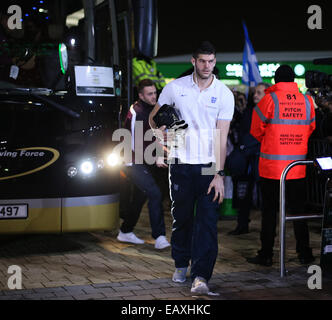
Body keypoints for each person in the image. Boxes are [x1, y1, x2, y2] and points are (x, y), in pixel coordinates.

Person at [149, 41, 234, 294]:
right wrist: (159, 134)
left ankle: (201, 277)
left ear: (214, 62)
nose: (207, 66)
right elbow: (154, 118)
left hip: (209, 166)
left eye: (211, 61)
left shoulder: (225, 93)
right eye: (202, 61)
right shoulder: (175, 88)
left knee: (207, 223)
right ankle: (180, 264)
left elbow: (222, 136)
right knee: (182, 219)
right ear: (193, 61)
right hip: (180, 163)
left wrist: (219, 174)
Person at [247, 65, 316, 266]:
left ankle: (266, 254)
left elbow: (255, 130)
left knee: (269, 212)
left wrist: (272, 140)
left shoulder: (270, 99)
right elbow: (311, 127)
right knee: (299, 212)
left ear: (276, 81)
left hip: (271, 168)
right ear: (293, 80)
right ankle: (305, 254)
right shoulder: (306, 100)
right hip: (297, 167)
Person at [117, 79, 170, 250]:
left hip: (144, 159)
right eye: (150, 94)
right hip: (132, 160)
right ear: (141, 95)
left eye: (155, 93)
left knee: (141, 196)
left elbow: (155, 136)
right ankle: (159, 237)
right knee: (154, 193)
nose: (154, 96)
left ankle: (125, 231)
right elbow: (135, 144)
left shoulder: (154, 109)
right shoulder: (136, 112)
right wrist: (155, 157)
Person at [228, 83, 269, 235]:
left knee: (265, 198)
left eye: (259, 92)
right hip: (247, 161)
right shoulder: (250, 111)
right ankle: (242, 224)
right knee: (243, 193)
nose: (255, 95)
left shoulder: (269, 113)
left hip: (261, 160)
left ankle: (267, 229)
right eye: (254, 92)